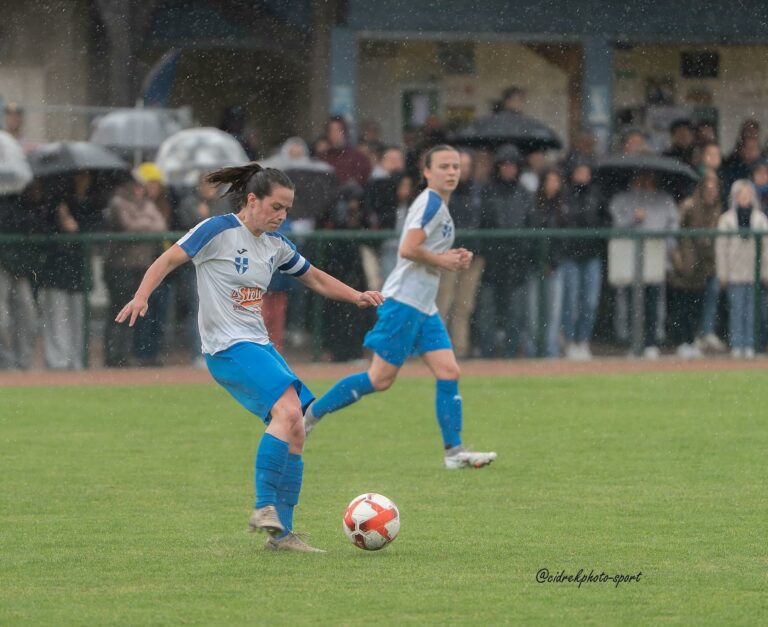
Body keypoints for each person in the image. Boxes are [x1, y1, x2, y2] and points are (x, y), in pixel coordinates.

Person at [115, 163, 383, 552]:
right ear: (252, 200)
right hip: (227, 348)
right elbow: (167, 260)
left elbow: (316, 277)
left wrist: (357, 295)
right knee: (288, 414)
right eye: (276, 207)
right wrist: (142, 295)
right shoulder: (217, 230)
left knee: (298, 428)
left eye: (287, 210)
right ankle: (263, 507)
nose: (282, 216)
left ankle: (283, 535)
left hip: (258, 346)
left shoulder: (275, 246)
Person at [303, 145, 497, 470]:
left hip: (423, 305)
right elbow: (408, 249)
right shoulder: (430, 203)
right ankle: (309, 415)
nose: (451, 171)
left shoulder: (441, 206)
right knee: (379, 379)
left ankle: (454, 452)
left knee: (449, 371)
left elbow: (426, 253)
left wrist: (452, 258)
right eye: (444, 166)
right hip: (404, 302)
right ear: (427, 171)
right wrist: (444, 260)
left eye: (455, 166)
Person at [715, 179, 768, 358]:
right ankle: (737, 343)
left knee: (753, 310)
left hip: (754, 271)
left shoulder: (760, 219)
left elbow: (766, 248)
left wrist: (765, 272)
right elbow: (721, 249)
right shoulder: (726, 219)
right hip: (735, 272)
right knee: (737, 309)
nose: (744, 197)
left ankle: (750, 343)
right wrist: (723, 273)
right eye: (741, 194)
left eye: (747, 193)